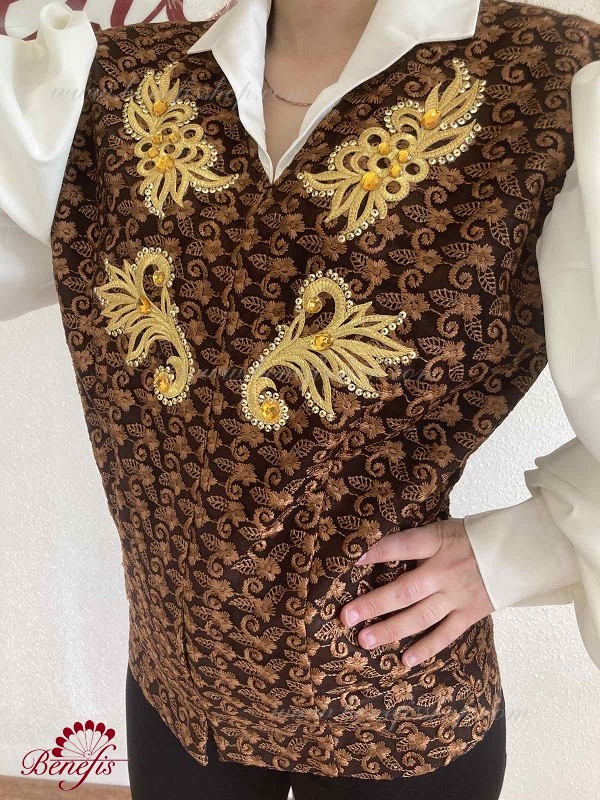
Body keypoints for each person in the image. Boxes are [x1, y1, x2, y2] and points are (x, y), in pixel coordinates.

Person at [1, 0, 599, 798]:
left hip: (391, 713)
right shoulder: (104, 87)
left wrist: (524, 550)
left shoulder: (548, 80)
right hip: (179, 697)